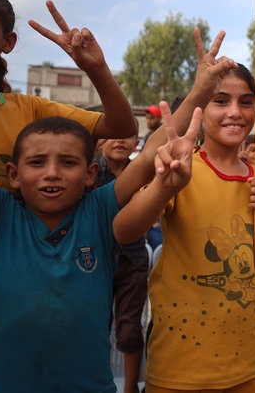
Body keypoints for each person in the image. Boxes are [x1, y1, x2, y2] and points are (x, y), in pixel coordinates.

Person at [0, 0, 138, 391]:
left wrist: (94, 67)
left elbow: (121, 126)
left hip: (3, 324)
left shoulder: (30, 109)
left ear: (8, 41)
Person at [113, 64, 255, 392]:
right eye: (221, 101)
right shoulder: (181, 169)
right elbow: (123, 232)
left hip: (249, 362)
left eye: (246, 101)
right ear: (201, 109)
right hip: (180, 366)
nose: (235, 112)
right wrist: (165, 186)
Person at [94, 131, 150, 393]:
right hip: (95, 261)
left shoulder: (142, 173)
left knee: (128, 329)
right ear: (101, 141)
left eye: (128, 137)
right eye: (114, 135)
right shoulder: (89, 172)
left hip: (134, 259)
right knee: (94, 327)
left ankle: (130, 388)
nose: (120, 141)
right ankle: (96, 383)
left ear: (136, 144)